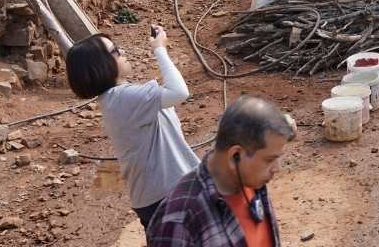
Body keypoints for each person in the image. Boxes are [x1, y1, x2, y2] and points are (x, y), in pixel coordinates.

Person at [65, 26, 198, 235]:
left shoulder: (120, 98)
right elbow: (179, 91)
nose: (123, 53)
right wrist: (159, 49)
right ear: (100, 65)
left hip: (164, 194)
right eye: (115, 51)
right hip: (166, 197)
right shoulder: (122, 99)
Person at [147, 95, 295, 247]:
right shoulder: (179, 222)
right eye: (269, 160)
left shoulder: (251, 180)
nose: (277, 168)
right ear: (235, 156)